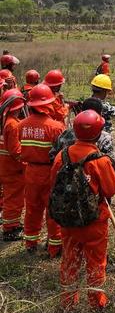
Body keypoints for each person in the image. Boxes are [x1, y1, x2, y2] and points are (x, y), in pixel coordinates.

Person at [50, 110, 115, 309]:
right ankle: (96, 302)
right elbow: (111, 189)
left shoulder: (61, 157)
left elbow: (53, 183)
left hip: (68, 221)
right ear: (98, 134)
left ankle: (68, 302)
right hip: (94, 222)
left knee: (70, 259)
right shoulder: (100, 160)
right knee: (96, 261)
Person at [19, 84, 64, 256]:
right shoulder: (56, 127)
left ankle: (30, 243)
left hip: (30, 172)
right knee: (52, 210)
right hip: (50, 173)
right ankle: (54, 246)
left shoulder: (21, 125)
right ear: (48, 104)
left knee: (31, 208)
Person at [50, 97, 115, 176]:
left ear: (82, 112)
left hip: (66, 183)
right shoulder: (104, 137)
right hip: (94, 181)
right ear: (100, 114)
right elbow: (113, 166)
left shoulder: (66, 134)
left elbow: (53, 157)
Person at [0, 89, 26, 241]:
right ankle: (10, 230)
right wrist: (28, 158)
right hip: (13, 170)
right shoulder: (13, 125)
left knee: (11, 198)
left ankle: (12, 224)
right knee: (14, 200)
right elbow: (16, 151)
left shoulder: (5, 121)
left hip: (5, 167)